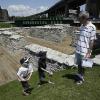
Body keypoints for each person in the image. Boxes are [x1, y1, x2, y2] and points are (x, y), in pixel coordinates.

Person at [75, 11, 96, 85]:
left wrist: (89, 52)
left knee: (83, 65)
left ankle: (80, 79)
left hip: (85, 50)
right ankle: (79, 75)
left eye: (80, 19)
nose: (79, 20)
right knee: (79, 64)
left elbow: (92, 40)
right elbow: (81, 33)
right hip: (78, 49)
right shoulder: (82, 25)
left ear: (85, 19)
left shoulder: (92, 27)